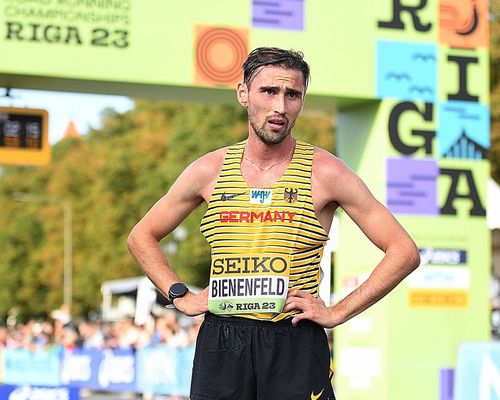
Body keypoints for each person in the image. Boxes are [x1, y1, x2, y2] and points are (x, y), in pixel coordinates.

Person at [127, 47, 420, 400]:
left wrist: (337, 312)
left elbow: (404, 251)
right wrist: (179, 296)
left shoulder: (327, 172)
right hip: (222, 340)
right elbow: (142, 236)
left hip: (294, 337)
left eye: (292, 94)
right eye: (269, 91)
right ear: (244, 94)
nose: (280, 107)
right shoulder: (209, 169)